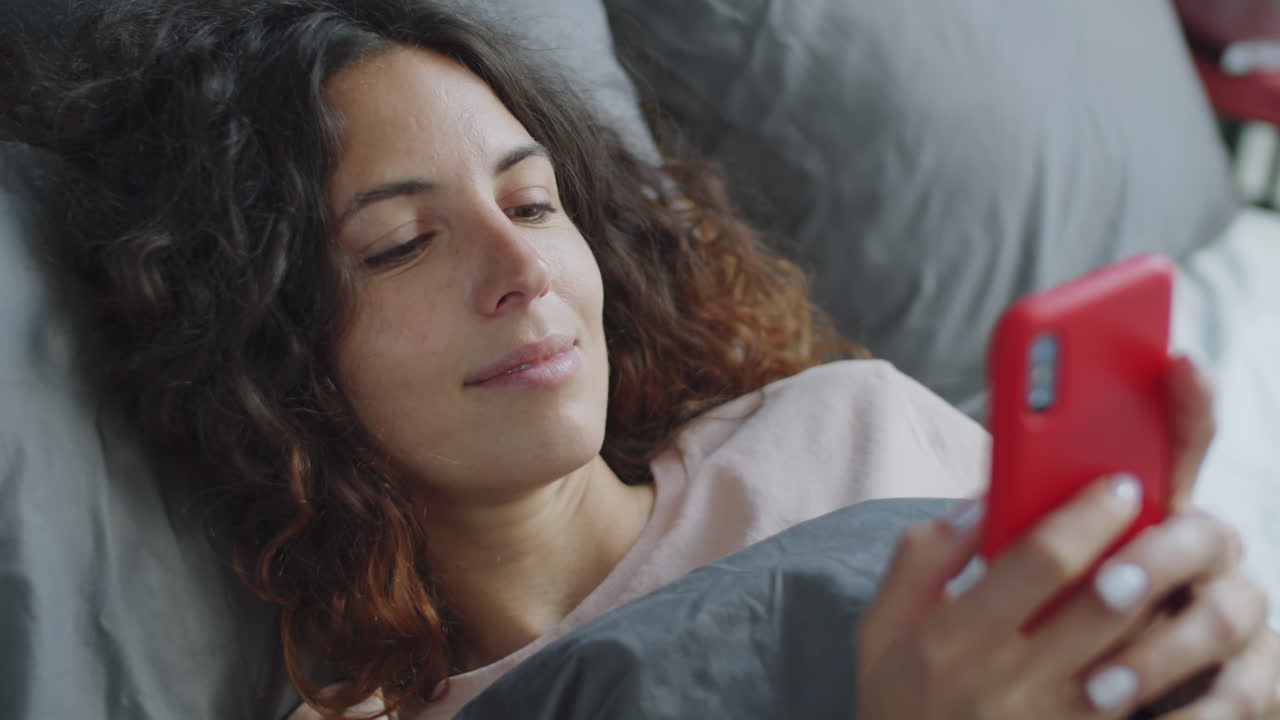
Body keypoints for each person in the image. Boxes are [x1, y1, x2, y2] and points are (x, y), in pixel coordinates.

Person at [2, 1, 1275, 718]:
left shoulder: (847, 428)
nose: (519, 272)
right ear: (269, 350)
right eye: (398, 246)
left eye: (535, 202)